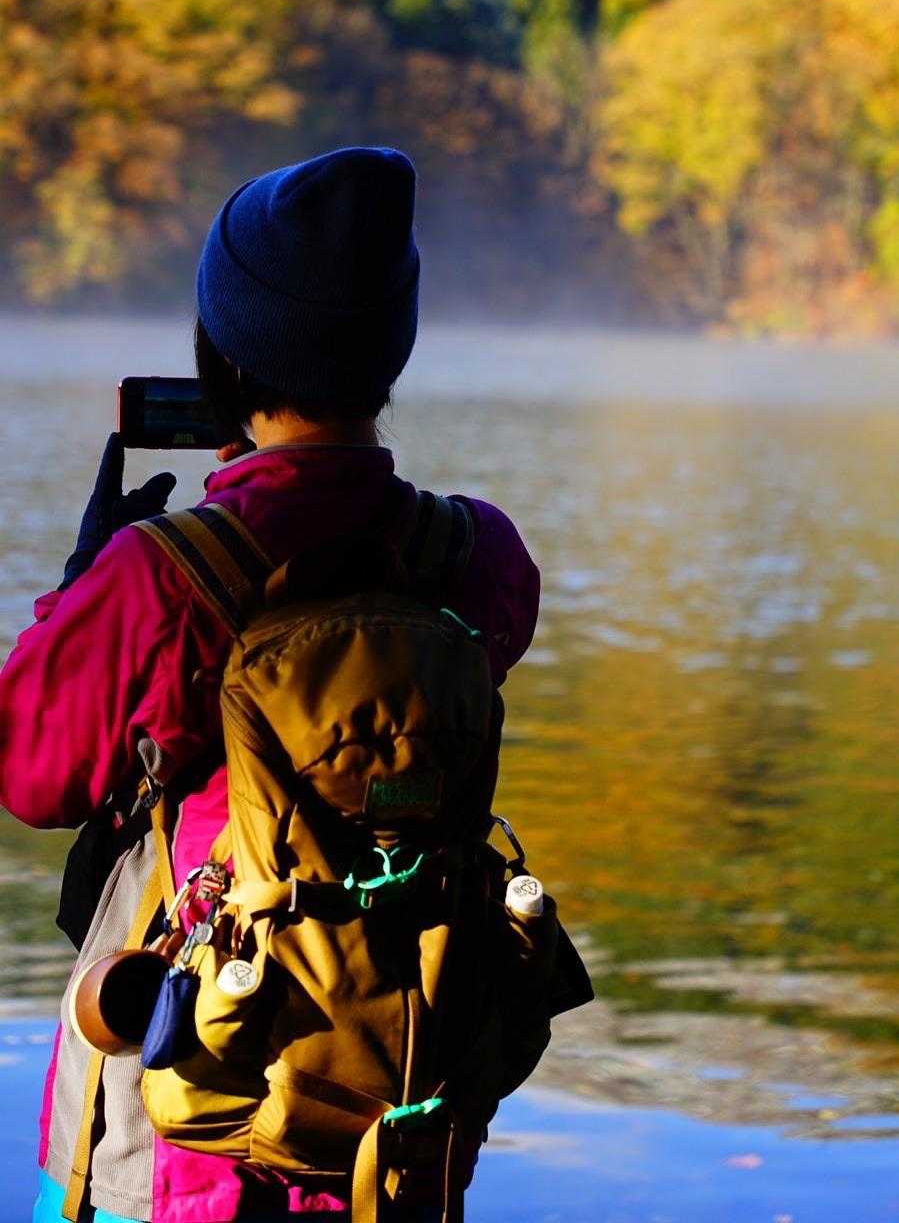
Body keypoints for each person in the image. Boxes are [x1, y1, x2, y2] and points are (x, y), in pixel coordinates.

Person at [0, 146, 540, 1223]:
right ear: (387, 356)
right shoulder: (476, 553)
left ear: (225, 360)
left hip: (183, 1108)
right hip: (395, 1105)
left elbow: (32, 773)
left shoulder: (165, 574)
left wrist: (82, 584)